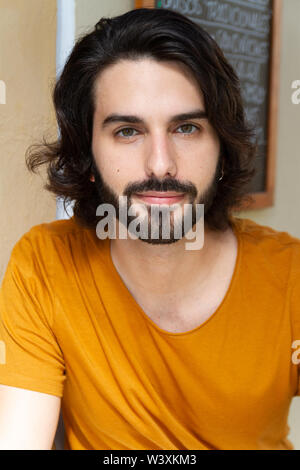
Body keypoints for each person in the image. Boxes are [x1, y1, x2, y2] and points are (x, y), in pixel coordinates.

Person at [0, 7, 299, 451]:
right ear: (87, 156)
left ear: (222, 150)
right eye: (127, 131)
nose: (161, 164)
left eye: (187, 127)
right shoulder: (44, 266)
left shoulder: (290, 275)